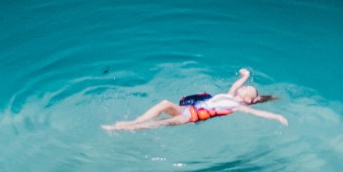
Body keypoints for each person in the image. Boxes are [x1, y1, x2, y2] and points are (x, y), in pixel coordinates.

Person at [103, 68, 288, 130]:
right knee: (165, 103)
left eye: (249, 90)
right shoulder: (232, 94)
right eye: (247, 86)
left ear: (248, 100)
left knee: (159, 123)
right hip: (187, 109)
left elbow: (257, 112)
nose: (246, 87)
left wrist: (277, 117)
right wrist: (245, 76)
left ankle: (121, 128)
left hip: (189, 117)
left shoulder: (236, 106)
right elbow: (236, 84)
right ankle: (133, 122)